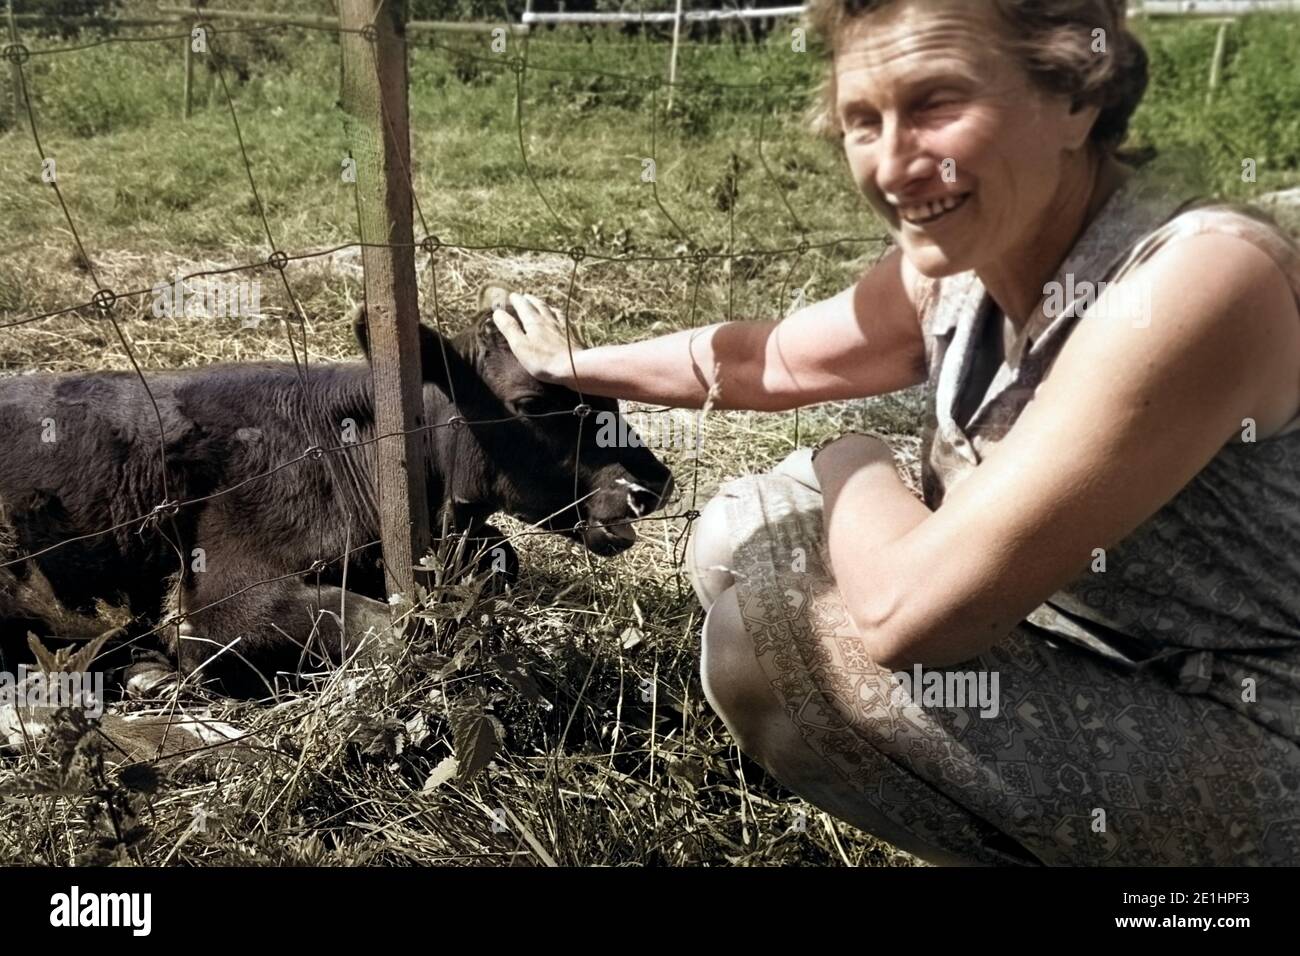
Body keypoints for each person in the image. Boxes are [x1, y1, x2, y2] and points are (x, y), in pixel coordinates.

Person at [491, 0, 1300, 864]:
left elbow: (909, 618)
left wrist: (855, 458)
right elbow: (772, 362)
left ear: (1075, 96)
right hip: (1079, 623)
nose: (893, 163)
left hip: (1248, 721)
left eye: (935, 105)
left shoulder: (1193, 279)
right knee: (739, 525)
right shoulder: (962, 261)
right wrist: (578, 361)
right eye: (862, 121)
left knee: (761, 642)